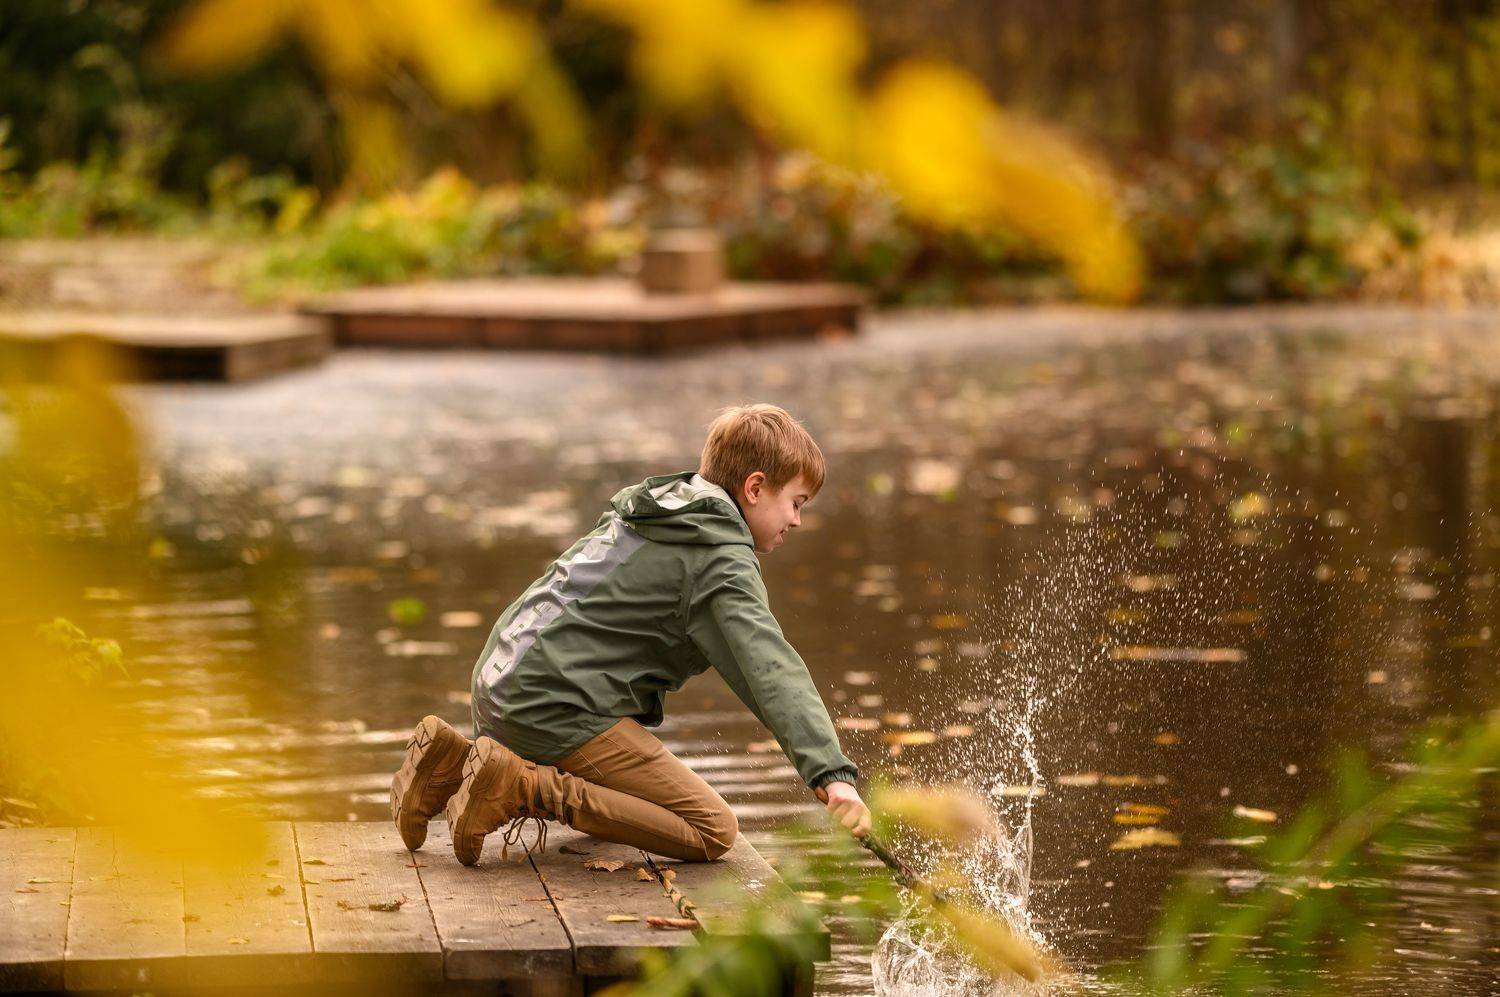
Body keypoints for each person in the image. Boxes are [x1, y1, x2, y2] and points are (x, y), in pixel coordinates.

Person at [390, 403, 871, 866]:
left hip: (498, 686)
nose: (796, 520)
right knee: (710, 829)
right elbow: (771, 670)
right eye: (796, 502)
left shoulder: (658, 511)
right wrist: (832, 773)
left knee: (628, 797)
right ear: (755, 487)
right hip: (549, 707)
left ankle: (448, 768)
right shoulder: (718, 560)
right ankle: (523, 786)